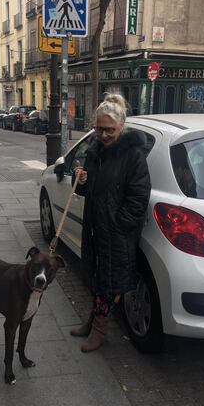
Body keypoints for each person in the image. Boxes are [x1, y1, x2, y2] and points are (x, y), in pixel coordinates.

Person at [71, 93, 151, 352]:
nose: (103, 135)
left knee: (108, 285)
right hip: (95, 229)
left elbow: (139, 197)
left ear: (121, 127)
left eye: (110, 130)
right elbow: (88, 191)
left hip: (116, 235)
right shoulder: (95, 152)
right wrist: (81, 181)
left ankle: (98, 331)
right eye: (99, 129)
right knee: (97, 280)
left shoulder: (133, 156)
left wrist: (118, 225)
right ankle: (92, 321)